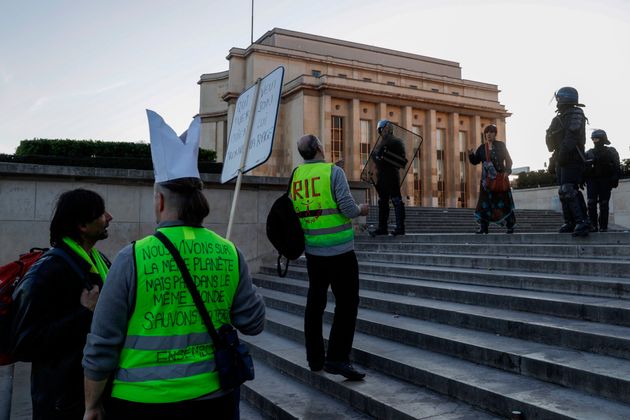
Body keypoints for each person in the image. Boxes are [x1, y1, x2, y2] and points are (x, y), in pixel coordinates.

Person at [82, 111, 265, 420]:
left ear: (160, 201)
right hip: (215, 400)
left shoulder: (132, 257)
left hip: (140, 401)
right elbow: (253, 322)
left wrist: (91, 404)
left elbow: (102, 343)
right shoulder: (229, 252)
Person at [10, 188, 112, 420]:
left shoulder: (99, 261)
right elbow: (24, 343)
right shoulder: (48, 271)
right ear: (82, 225)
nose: (109, 217)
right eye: (101, 213)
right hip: (62, 403)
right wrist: (84, 313)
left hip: (92, 393)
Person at [291, 134, 369, 380]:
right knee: (347, 304)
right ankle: (337, 358)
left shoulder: (296, 176)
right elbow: (346, 207)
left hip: (313, 250)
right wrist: (361, 210)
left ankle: (315, 359)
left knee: (315, 304)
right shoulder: (333, 172)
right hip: (339, 251)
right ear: (319, 148)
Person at [545, 86, 590, 237]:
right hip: (561, 157)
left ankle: (582, 221)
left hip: (573, 157)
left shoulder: (576, 113)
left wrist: (562, 154)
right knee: (563, 191)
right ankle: (570, 221)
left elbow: (572, 137)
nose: (557, 101)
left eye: (559, 98)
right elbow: (551, 143)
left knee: (570, 189)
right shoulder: (559, 117)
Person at [468, 124, 516, 234]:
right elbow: (475, 161)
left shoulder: (501, 146)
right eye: (487, 132)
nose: (488, 134)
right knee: (484, 204)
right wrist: (471, 155)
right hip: (487, 182)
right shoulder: (481, 148)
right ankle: (484, 228)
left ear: (495, 134)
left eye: (491, 132)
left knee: (504, 203)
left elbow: (509, 160)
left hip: (500, 180)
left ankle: (510, 226)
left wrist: (507, 172)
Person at [370, 119, 407, 236]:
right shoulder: (382, 143)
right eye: (382, 130)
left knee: (396, 200)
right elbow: (378, 162)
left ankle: (400, 227)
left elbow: (401, 161)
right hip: (382, 176)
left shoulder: (396, 142)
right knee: (383, 201)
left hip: (391, 175)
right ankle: (382, 228)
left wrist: (382, 157)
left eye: (384, 129)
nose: (383, 132)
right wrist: (375, 157)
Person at [585, 129, 620, 232]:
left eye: (597, 138)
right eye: (593, 139)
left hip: (605, 180)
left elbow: (617, 166)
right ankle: (593, 225)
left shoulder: (611, 151)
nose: (594, 140)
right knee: (591, 203)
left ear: (602, 139)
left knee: (604, 203)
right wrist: (582, 178)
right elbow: (583, 168)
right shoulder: (589, 152)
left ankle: (603, 226)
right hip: (592, 180)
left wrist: (615, 177)